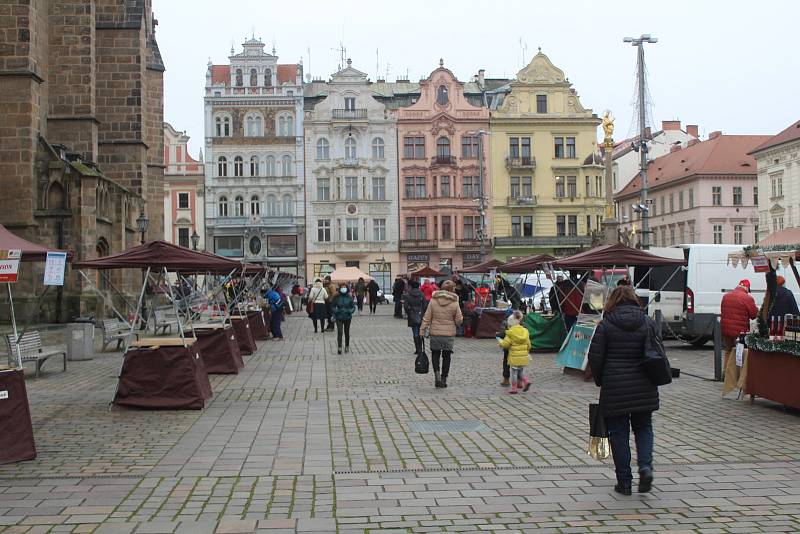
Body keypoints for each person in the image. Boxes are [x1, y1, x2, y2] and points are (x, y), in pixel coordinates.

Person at [588, 285, 660, 496]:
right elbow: (657, 351)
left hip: (615, 387)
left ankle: (624, 481)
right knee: (644, 428)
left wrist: (601, 381)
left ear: (612, 302)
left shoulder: (606, 325)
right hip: (644, 385)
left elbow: (595, 357)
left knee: (619, 433)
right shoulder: (648, 323)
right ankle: (645, 467)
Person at [420, 280, 463, 388]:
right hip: (449, 334)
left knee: (435, 354)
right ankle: (444, 378)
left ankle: (437, 376)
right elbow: (459, 320)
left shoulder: (433, 301)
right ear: (452, 290)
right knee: (447, 356)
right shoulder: (454, 302)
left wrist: (422, 329)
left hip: (435, 333)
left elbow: (427, 317)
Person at [497, 310, 532, 394]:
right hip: (523, 357)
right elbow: (529, 345)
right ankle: (525, 381)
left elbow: (506, 344)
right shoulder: (525, 331)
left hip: (513, 356)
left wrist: (499, 341)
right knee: (521, 371)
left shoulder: (510, 333)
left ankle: (514, 388)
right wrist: (526, 352)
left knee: (514, 373)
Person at [720, 279, 758, 351]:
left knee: (728, 351)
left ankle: (728, 362)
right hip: (739, 332)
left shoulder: (726, 296)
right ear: (747, 288)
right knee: (739, 353)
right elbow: (753, 315)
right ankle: (737, 362)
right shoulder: (748, 298)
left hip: (725, 329)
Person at [331, 283, 356, 354]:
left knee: (347, 332)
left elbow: (353, 307)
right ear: (340, 288)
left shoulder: (349, 297)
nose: (343, 288)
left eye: (344, 287)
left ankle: (347, 346)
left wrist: (349, 311)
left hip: (347, 317)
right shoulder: (336, 297)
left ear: (347, 288)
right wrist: (336, 311)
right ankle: (339, 347)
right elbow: (332, 306)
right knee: (340, 332)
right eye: (342, 287)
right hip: (339, 317)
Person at [404, 279, 425, 356]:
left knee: (415, 332)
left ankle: (418, 349)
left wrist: (409, 313)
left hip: (412, 315)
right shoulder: (422, 294)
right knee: (421, 331)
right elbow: (425, 305)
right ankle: (421, 348)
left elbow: (406, 306)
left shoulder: (408, 295)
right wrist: (423, 313)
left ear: (411, 286)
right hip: (420, 314)